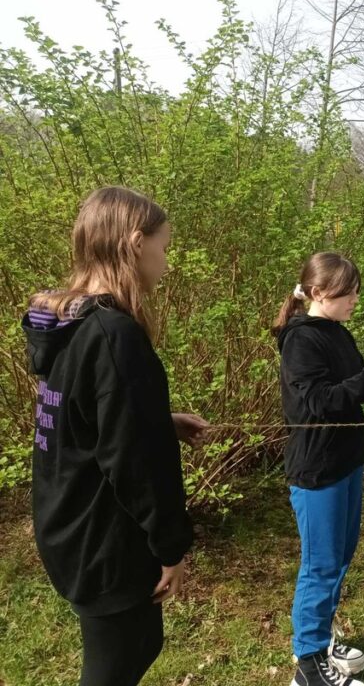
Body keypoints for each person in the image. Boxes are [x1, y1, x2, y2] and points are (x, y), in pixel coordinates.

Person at [22, 186, 207, 686]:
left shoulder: (68, 322)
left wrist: (157, 419)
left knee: (134, 647)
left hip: (69, 525)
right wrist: (172, 546)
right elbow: (137, 464)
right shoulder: (112, 334)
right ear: (133, 242)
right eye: (163, 247)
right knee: (121, 660)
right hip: (104, 538)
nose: (166, 263)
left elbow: (86, 419)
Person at [273, 252, 364, 686]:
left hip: (347, 462)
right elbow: (320, 402)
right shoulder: (301, 340)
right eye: (349, 291)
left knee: (339, 558)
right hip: (318, 470)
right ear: (319, 293)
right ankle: (309, 663)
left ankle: (323, 638)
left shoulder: (335, 332)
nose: (356, 298)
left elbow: (354, 385)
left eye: (357, 290)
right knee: (320, 564)